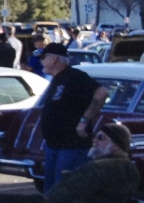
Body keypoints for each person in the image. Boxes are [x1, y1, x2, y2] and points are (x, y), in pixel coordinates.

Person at [45, 122, 140, 203]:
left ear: (116, 146)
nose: (94, 140)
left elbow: (58, 202)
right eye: (95, 136)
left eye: (101, 138)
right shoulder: (132, 170)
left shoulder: (96, 170)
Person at [39, 42, 108, 191]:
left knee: (64, 189)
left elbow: (101, 92)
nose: (40, 61)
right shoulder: (56, 79)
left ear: (54, 59)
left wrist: (84, 120)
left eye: (43, 57)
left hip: (72, 145)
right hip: (53, 144)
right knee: (50, 191)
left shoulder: (75, 76)